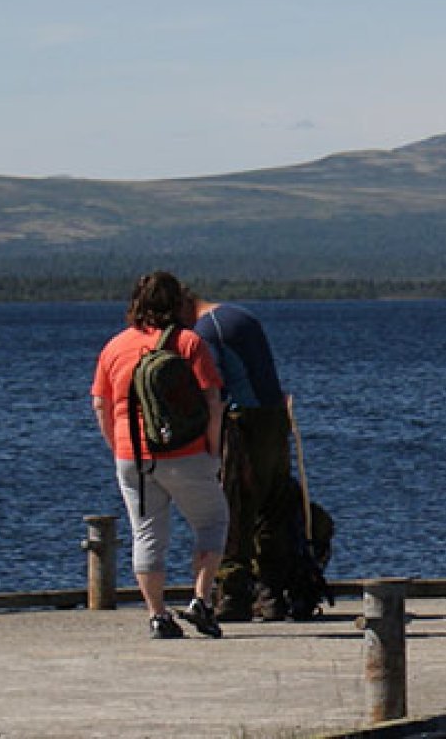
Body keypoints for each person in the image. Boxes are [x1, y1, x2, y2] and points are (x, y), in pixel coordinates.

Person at [90, 271, 228, 640]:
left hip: (131, 455)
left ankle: (157, 615)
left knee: (147, 535)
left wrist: (116, 447)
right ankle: (200, 599)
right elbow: (213, 403)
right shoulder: (189, 343)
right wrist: (214, 449)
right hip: (186, 453)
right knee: (212, 522)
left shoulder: (114, 347)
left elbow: (101, 405)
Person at [184, 290, 302, 623]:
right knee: (274, 505)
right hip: (274, 419)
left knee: (235, 506)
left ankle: (233, 595)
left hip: (243, 423)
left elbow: (216, 389)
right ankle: (271, 593)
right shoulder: (243, 317)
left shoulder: (207, 331)